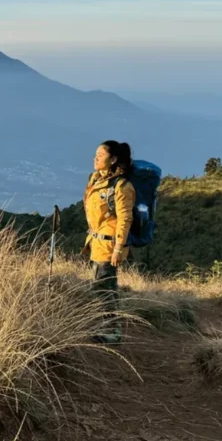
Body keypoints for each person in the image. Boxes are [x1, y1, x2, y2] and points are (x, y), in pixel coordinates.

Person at [81, 140, 135, 344]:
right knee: (106, 286)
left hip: (109, 245)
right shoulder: (96, 179)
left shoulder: (122, 186)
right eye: (95, 154)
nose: (95, 158)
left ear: (113, 160)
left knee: (102, 287)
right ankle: (110, 327)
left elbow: (125, 219)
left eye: (100, 155)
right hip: (97, 242)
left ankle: (111, 331)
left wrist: (118, 248)